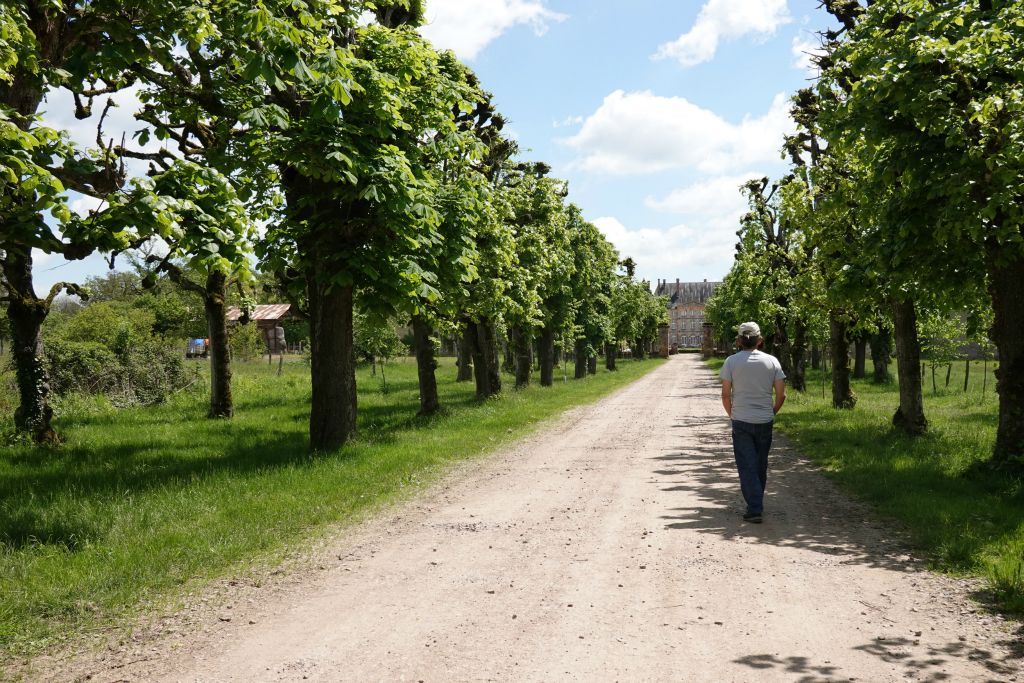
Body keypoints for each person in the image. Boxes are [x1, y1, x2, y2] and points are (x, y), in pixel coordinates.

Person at [719, 322, 786, 524]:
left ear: (739, 341)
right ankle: (756, 502)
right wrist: (771, 412)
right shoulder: (772, 362)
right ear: (760, 340)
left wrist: (733, 414)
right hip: (765, 420)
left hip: (741, 419)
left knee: (746, 464)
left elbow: (725, 395)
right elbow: (782, 395)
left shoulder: (731, 362)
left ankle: (755, 507)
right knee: (760, 463)